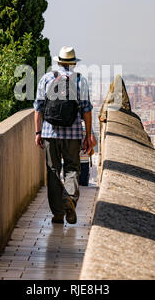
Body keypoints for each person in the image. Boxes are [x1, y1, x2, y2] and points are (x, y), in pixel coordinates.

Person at [34, 46, 93, 224]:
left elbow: (38, 109)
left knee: (52, 172)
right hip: (73, 134)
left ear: (58, 61)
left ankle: (58, 214)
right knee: (72, 168)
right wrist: (88, 135)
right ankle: (70, 198)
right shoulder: (79, 81)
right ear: (73, 63)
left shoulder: (46, 78)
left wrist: (38, 133)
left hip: (49, 133)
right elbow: (87, 110)